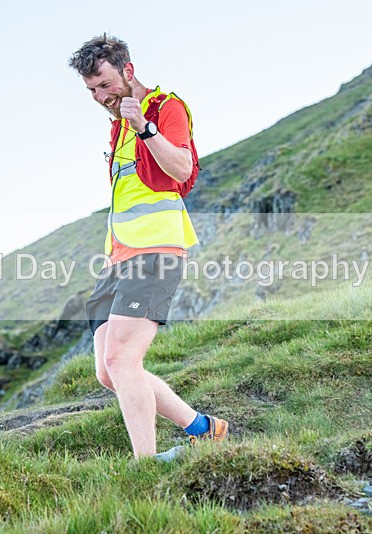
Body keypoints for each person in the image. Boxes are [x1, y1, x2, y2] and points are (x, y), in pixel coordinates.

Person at [68, 34, 228, 460]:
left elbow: (181, 169)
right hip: (119, 256)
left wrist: (146, 127)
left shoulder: (164, 108)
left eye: (104, 84)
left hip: (157, 250)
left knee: (122, 359)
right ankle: (203, 428)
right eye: (92, 91)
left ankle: (145, 466)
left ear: (128, 71)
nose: (100, 96)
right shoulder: (116, 125)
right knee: (108, 371)